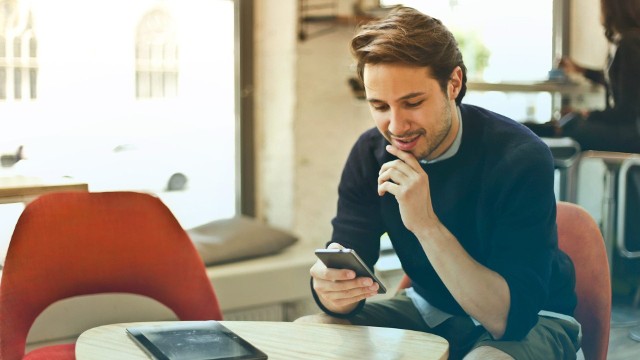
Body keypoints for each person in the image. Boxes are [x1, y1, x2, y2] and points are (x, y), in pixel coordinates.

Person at [295, 6, 580, 360]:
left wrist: (426, 224)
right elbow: (345, 261)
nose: (396, 126)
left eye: (412, 102)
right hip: (429, 308)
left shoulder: (519, 157)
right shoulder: (370, 155)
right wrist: (330, 292)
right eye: (380, 106)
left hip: (532, 317)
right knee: (310, 334)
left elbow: (506, 319)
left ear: (454, 84)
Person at [528, 0, 640, 153]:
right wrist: (580, 70)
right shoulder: (627, 41)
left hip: (631, 134)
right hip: (629, 130)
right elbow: (618, 83)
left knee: (574, 126)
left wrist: (587, 114)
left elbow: (627, 112)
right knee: (571, 122)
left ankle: (534, 135)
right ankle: (538, 133)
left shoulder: (630, 43)